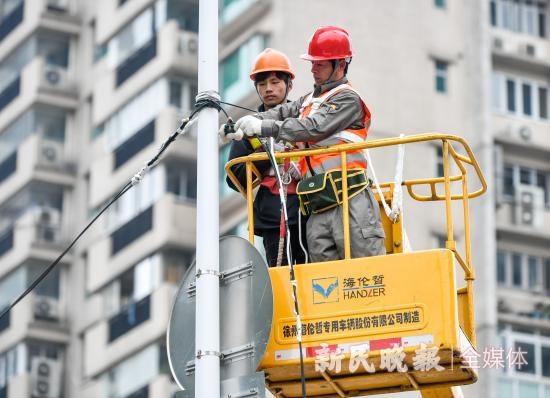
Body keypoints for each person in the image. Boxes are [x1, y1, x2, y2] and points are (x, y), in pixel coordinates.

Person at [230, 26, 386, 263]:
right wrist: (243, 124)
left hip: (349, 199)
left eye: (320, 64)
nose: (313, 69)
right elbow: (282, 112)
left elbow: (315, 127)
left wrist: (262, 127)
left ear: (340, 65)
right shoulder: (310, 100)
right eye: (312, 63)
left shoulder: (347, 99)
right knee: (322, 285)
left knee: (362, 272)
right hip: (317, 204)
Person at [223, 48, 308, 266]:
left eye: (275, 82)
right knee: (280, 275)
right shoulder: (249, 127)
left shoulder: (304, 117)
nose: (268, 89)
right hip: (272, 213)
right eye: (262, 84)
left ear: (289, 84)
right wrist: (265, 156)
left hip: (309, 207)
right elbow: (234, 178)